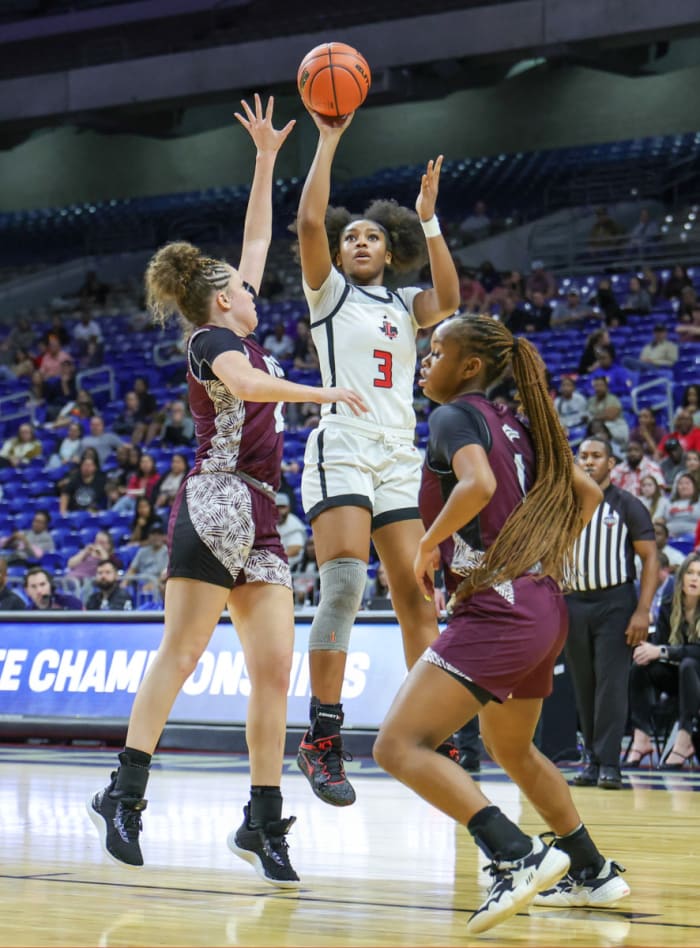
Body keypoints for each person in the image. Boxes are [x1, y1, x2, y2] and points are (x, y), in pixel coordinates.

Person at [86, 95, 365, 887]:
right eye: (240, 289)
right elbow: (248, 383)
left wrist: (268, 158)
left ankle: (262, 819)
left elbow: (257, 235)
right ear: (219, 302)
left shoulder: (228, 317)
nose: (253, 289)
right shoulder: (216, 342)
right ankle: (125, 793)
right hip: (214, 500)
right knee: (181, 651)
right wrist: (326, 393)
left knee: (274, 670)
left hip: (263, 516)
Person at [372, 315, 628, 936]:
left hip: (498, 607)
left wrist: (427, 545)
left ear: (470, 367)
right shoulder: (524, 424)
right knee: (511, 747)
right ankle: (592, 870)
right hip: (541, 601)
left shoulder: (456, 415)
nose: (426, 362)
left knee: (398, 746)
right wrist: (547, 550)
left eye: (437, 352)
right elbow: (588, 495)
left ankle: (515, 856)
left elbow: (478, 484)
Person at [292, 106, 460, 807]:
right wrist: (328, 139)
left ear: (388, 251)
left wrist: (427, 219)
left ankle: (433, 728)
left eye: (371, 236)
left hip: (398, 453)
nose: (359, 241)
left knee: (418, 593)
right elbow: (307, 225)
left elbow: (450, 299)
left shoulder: (401, 302)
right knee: (343, 588)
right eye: (350, 236)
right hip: (343, 444)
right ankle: (322, 738)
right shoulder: (328, 293)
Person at [565, 436, 657, 790]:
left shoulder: (627, 504)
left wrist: (643, 610)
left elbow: (650, 558)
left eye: (596, 456)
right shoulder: (565, 504)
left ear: (611, 463)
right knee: (583, 684)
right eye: (583, 456)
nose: (588, 462)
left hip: (615, 602)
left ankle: (610, 764)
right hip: (573, 601)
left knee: (611, 684)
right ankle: (591, 759)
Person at [627, 553, 700, 769]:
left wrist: (663, 651)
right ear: (681, 578)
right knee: (641, 666)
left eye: (699, 575)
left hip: (696, 678)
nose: (694, 579)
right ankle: (642, 738)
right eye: (690, 573)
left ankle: (685, 739)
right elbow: (658, 646)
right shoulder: (669, 606)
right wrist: (651, 652)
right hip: (679, 678)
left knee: (689, 665)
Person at [274, 492, 307, 568]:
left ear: (288, 508)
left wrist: (273, 559)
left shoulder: (294, 524)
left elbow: (295, 549)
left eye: (282, 507)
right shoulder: (269, 522)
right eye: (277, 507)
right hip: (276, 567)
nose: (279, 511)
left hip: (293, 568)